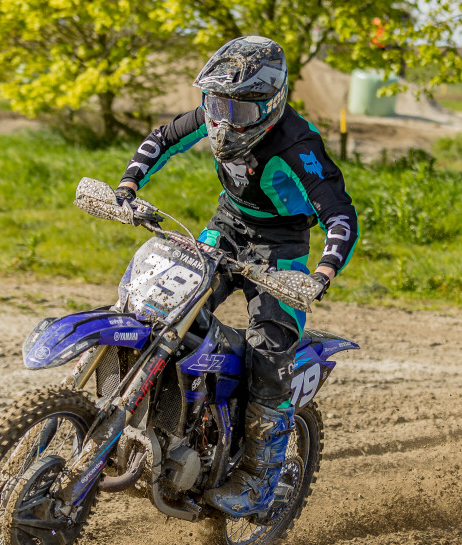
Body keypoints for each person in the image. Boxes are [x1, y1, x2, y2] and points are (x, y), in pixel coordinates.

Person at [115, 36, 359, 518]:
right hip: (225, 228)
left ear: (270, 104)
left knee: (270, 352)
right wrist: (128, 183)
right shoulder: (217, 112)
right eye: (216, 104)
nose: (224, 121)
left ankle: (259, 477)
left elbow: (339, 214)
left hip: (281, 249)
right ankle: (165, 419)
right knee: (164, 304)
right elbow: (162, 138)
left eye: (239, 110)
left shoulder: (297, 144)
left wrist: (323, 272)